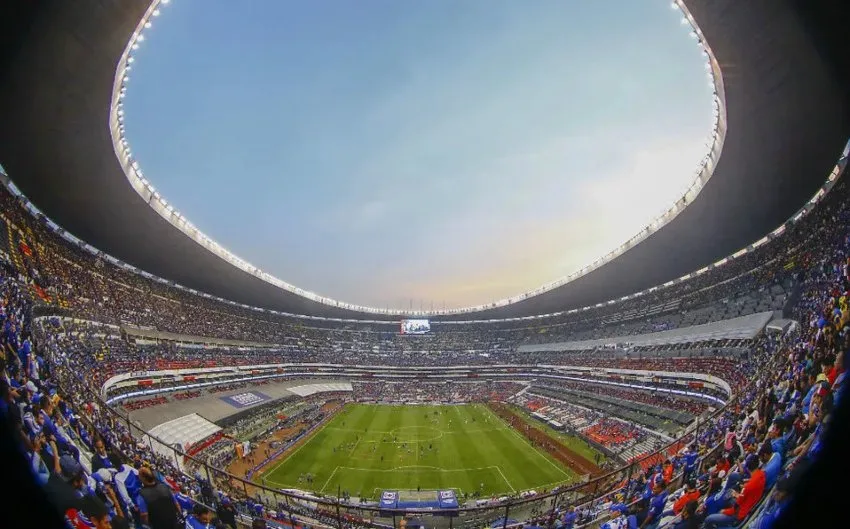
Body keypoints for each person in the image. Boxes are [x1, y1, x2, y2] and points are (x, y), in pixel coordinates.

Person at [703, 455, 765, 528]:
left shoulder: (748, 487)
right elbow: (745, 495)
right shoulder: (762, 474)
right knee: (729, 492)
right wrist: (738, 493)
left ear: (747, 468)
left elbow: (736, 508)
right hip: (747, 502)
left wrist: (724, 511)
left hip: (739, 514)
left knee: (708, 519)